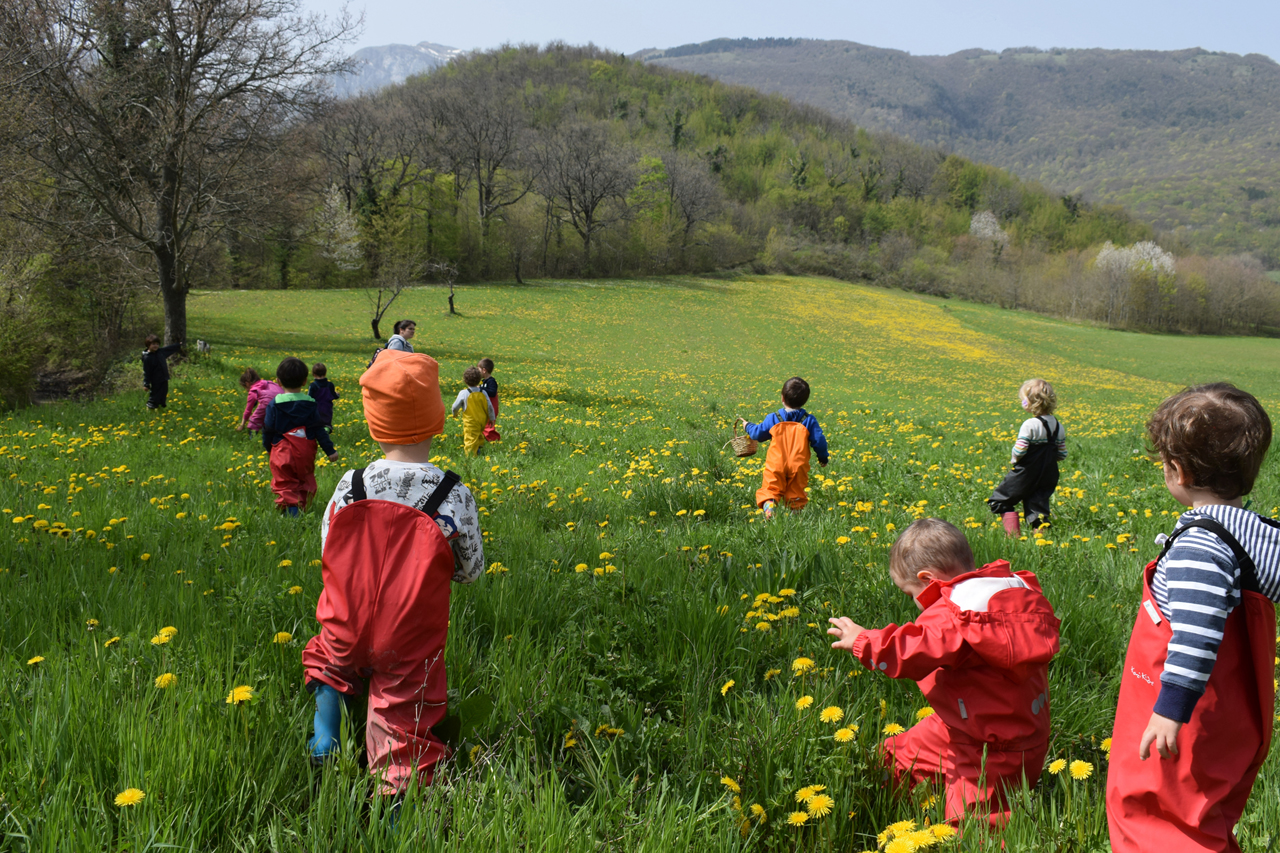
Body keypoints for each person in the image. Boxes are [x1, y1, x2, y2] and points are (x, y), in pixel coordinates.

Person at [302, 348, 483, 798]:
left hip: (345, 616)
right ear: (439, 420)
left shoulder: (352, 483)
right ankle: (395, 808)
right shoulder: (451, 493)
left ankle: (326, 736)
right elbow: (470, 569)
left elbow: (329, 547)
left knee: (331, 660)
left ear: (372, 422)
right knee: (404, 713)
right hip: (408, 633)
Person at [1107, 383, 1278, 853]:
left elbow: (1198, 634)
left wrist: (1170, 710)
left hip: (1185, 717)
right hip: (1234, 712)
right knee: (1205, 812)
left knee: (1159, 820)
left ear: (1177, 471)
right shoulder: (1258, 536)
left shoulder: (1199, 549)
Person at [828, 518, 1060, 827]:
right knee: (898, 755)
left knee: (973, 824)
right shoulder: (1010, 590)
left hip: (992, 751)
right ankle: (885, 803)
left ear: (928, 580)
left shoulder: (957, 615)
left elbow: (910, 651)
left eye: (911, 593)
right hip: (972, 725)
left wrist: (863, 640)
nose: (914, 603)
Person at [738, 377, 828, 519]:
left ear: (782, 398)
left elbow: (757, 434)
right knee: (796, 492)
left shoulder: (774, 418)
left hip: (776, 463)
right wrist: (823, 458)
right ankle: (795, 517)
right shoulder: (809, 420)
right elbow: (819, 441)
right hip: (798, 465)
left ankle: (770, 508)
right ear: (805, 400)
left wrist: (747, 426)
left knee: (770, 489)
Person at [986, 378, 1067, 535]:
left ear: (1029, 403)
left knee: (1001, 500)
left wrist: (1014, 460)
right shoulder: (1058, 426)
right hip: (1048, 474)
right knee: (1038, 506)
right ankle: (1041, 540)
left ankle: (1014, 537)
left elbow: (1020, 449)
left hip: (1027, 472)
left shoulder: (1030, 425)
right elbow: (1062, 454)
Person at [262, 357, 337, 515]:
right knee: (305, 478)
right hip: (305, 450)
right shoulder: (311, 404)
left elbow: (267, 430)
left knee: (284, 483)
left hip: (281, 450)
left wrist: (268, 448)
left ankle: (292, 512)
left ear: (278, 381)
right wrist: (330, 451)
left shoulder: (274, 404)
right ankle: (302, 506)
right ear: (304, 381)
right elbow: (319, 430)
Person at [451, 365, 495, 456]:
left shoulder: (464, 393)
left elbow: (455, 407)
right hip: (482, 420)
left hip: (471, 421)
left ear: (465, 380)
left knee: (470, 438)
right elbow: (489, 406)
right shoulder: (483, 392)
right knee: (479, 433)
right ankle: (479, 447)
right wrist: (492, 418)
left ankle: (471, 456)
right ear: (479, 380)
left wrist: (454, 413)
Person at [141, 334, 183, 409]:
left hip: (164, 378)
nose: (155, 346)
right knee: (155, 395)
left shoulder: (160, 352)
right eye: (153, 344)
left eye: (157, 344)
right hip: (155, 379)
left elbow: (169, 349)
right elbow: (146, 372)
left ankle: (158, 408)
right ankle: (150, 408)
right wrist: (146, 384)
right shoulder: (147, 357)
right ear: (148, 345)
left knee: (163, 394)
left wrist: (177, 345)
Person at [236, 368, 284, 434]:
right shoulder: (270, 383)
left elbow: (248, 410)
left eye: (245, 388)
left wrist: (242, 425)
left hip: (268, 403)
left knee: (255, 420)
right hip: (284, 402)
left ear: (247, 384)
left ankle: (253, 439)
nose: (246, 390)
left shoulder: (253, 390)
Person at [308, 363, 340, 428]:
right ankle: (327, 429)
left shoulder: (313, 386)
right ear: (325, 374)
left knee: (316, 424)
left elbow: (309, 398)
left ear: (314, 374)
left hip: (316, 408)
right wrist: (337, 395)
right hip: (327, 408)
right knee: (327, 423)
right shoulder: (330, 385)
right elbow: (334, 395)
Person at [478, 357, 501, 443]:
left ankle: (494, 440)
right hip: (485, 407)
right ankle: (483, 439)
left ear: (484, 370)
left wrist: (480, 389)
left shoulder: (491, 381)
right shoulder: (483, 381)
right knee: (483, 425)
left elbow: (492, 392)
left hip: (491, 407)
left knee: (488, 427)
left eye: (478, 369)